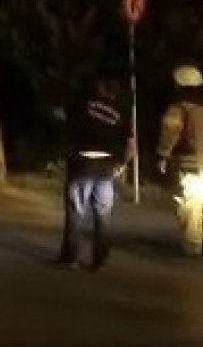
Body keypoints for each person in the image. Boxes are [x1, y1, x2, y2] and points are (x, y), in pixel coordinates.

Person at [56, 76, 132, 270]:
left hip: (83, 163)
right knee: (103, 214)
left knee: (75, 212)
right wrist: (123, 163)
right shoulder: (120, 113)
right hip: (106, 166)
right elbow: (130, 143)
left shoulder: (82, 105)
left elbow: (67, 125)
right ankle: (100, 260)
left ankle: (70, 257)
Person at [156, 64, 203, 256]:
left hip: (191, 169)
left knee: (191, 209)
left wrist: (163, 155)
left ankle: (192, 247)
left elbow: (171, 133)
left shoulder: (179, 108)